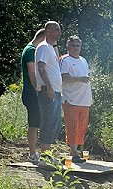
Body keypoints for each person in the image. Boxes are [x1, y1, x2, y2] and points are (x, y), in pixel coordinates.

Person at [61, 35, 92, 163]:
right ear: (68, 47)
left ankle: (77, 150)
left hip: (84, 99)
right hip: (71, 99)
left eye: (78, 46)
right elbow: (63, 77)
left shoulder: (83, 60)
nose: (76, 48)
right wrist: (79, 79)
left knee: (82, 126)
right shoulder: (65, 60)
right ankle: (73, 153)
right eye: (73, 45)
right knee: (72, 126)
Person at [35, 21, 63, 162]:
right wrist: (50, 87)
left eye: (59, 30)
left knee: (55, 123)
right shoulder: (43, 47)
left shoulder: (51, 48)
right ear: (48, 32)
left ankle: (48, 154)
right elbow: (41, 67)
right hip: (48, 91)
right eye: (56, 30)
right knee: (48, 121)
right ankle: (45, 156)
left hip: (56, 91)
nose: (59, 32)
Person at [21, 29, 46, 162]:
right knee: (34, 123)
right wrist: (37, 90)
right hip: (31, 93)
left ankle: (38, 153)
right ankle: (32, 154)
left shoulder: (31, 49)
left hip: (33, 92)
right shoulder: (30, 50)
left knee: (38, 122)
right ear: (42, 38)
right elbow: (32, 73)